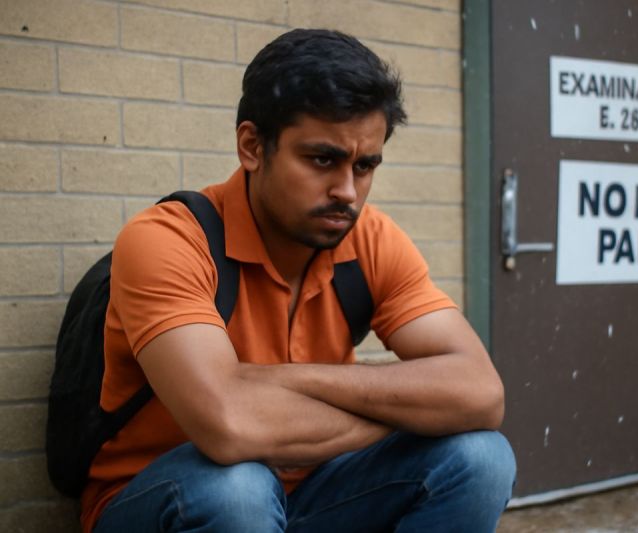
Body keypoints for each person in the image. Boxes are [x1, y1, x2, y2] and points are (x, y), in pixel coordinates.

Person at [83, 28, 516, 532]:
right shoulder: (170, 239)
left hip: (312, 494)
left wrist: (284, 381)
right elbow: (228, 427)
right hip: (169, 502)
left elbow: (481, 394)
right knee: (239, 489)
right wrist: (413, 408)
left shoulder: (371, 238)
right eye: (322, 159)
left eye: (365, 165)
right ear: (252, 146)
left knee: (480, 457)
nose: (347, 191)